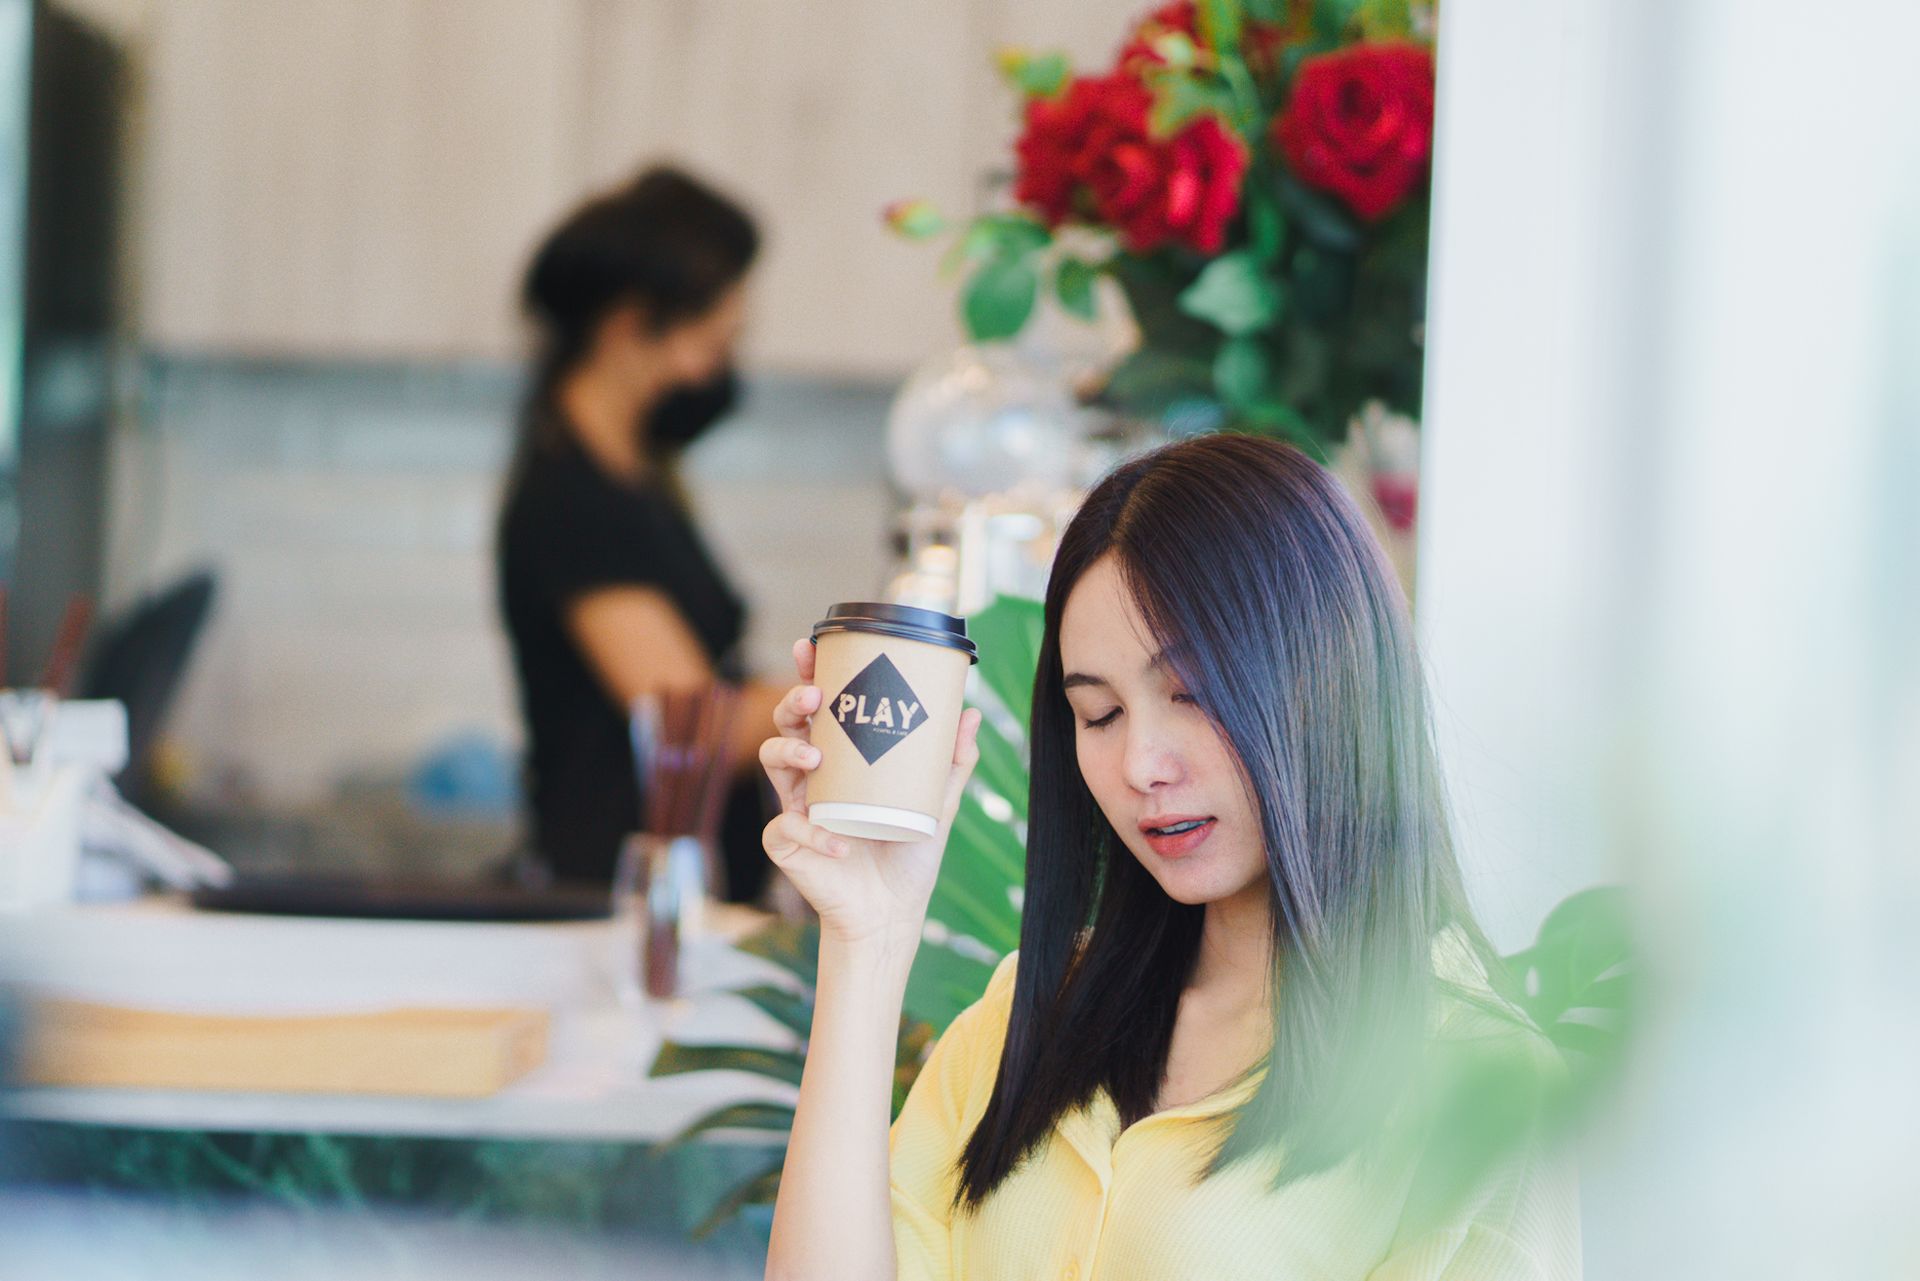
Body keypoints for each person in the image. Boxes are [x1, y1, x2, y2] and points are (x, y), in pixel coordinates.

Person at [756, 435, 1580, 1279]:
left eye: (1192, 693)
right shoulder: (1031, 1014)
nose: (1141, 764)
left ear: (1331, 676)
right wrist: (868, 939)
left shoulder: (1473, 1083)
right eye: (1100, 714)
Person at [497, 166, 782, 895]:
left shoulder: (637, 473)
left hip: (678, 887)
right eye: (711, 334)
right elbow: (689, 726)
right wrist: (857, 693)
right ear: (629, 323)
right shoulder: (573, 502)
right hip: (614, 894)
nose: (718, 361)